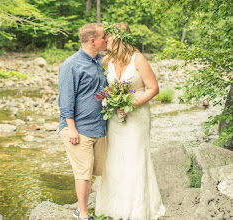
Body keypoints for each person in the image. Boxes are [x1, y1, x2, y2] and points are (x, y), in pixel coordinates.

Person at [95, 23, 166, 220]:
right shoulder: (108, 60)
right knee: (115, 157)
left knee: (134, 157)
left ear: (119, 39)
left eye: (108, 37)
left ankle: (136, 208)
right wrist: (110, 99)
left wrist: (131, 105)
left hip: (137, 116)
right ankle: (114, 205)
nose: (105, 40)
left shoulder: (138, 59)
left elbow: (153, 88)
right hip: (115, 119)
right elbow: (106, 87)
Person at [58, 23, 108, 220]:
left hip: (98, 127)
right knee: (83, 173)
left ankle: (82, 208)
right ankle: (83, 214)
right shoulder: (71, 64)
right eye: (104, 37)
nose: (106, 40)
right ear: (93, 40)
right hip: (78, 128)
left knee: (95, 172)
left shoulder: (99, 61)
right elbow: (66, 100)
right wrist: (71, 129)